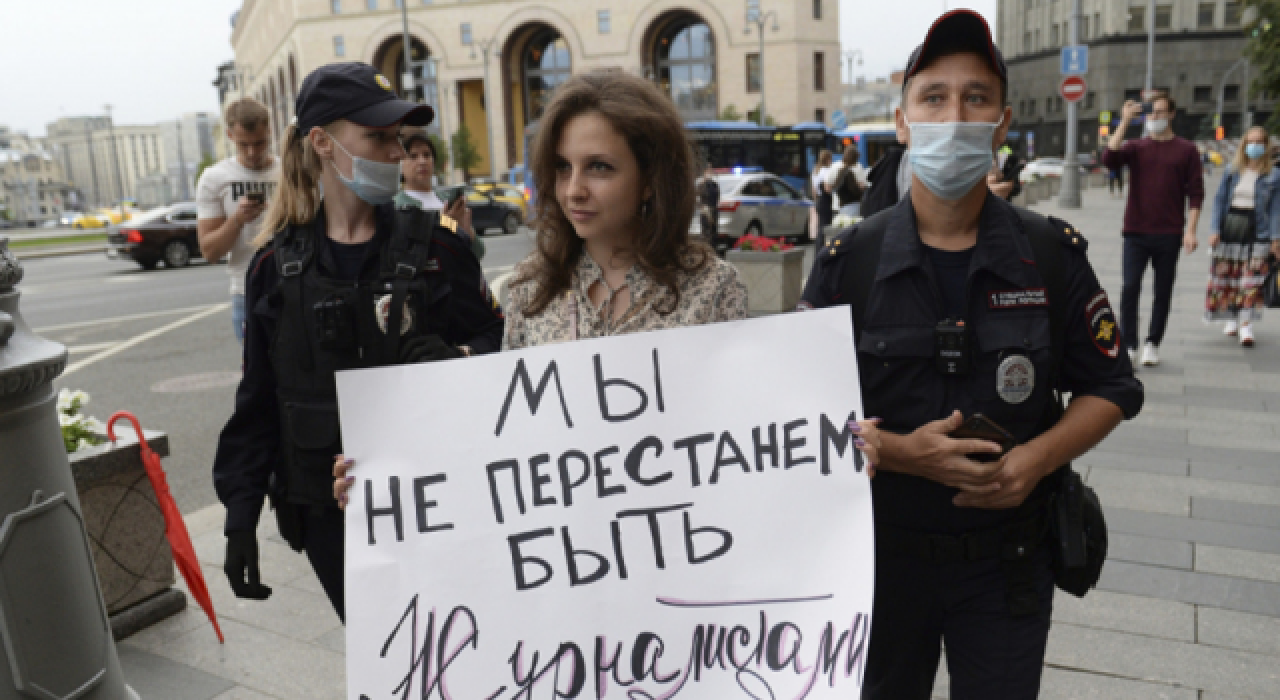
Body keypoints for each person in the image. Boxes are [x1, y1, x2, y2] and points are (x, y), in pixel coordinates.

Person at [798, 11, 1142, 699]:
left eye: (975, 98)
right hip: (880, 566)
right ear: (902, 120)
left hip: (1008, 564)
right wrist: (899, 453)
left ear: (1001, 123)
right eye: (933, 98)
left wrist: (1032, 462)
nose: (953, 115)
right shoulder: (850, 260)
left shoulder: (1050, 254)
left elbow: (1113, 388)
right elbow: (799, 417)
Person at [335, 69, 748, 497]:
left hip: (674, 532)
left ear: (649, 180)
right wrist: (384, 481)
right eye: (562, 167)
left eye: (599, 168)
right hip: (563, 549)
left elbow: (739, 446)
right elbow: (507, 441)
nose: (573, 190)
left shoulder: (713, 289)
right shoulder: (530, 289)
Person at [212, 62, 505, 621]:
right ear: (322, 142)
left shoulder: (440, 251)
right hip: (327, 518)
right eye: (377, 137)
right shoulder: (275, 268)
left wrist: (458, 359)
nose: (396, 152)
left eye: (397, 138)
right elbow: (260, 399)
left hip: (441, 503)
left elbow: (502, 342)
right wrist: (240, 514)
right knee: (383, 653)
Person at [1103, 92, 1204, 367]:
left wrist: (1191, 230)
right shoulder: (1137, 147)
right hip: (1136, 231)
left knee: (1163, 290)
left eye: (1160, 112)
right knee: (1130, 287)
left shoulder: (1186, 150)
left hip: (1169, 233)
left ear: (1172, 114)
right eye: (1151, 113)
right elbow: (1109, 158)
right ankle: (1130, 343)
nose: (1155, 117)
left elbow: (1196, 193)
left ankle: (1152, 343)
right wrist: (1124, 121)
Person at [196, 98, 281, 343]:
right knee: (257, 378)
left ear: (270, 131)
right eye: (244, 145)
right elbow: (210, 251)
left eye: (260, 143)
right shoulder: (215, 178)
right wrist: (237, 220)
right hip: (246, 292)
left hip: (291, 285)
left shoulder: (286, 170)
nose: (253, 152)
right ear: (229, 135)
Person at [1205, 126, 1280, 346]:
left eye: (1259, 142)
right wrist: (1214, 230)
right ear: (1244, 145)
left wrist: (1276, 239)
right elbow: (1219, 201)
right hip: (1231, 228)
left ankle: (1246, 324)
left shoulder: (1274, 175)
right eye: (1251, 142)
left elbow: (1276, 209)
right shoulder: (1232, 170)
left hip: (1259, 231)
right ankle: (1232, 318)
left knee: (1252, 280)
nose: (1254, 146)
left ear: (1266, 146)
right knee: (1230, 278)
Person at [394, 129, 485, 261]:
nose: (422, 161)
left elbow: (478, 253)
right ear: (400, 166)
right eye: (413, 156)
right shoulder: (397, 207)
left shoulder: (446, 200)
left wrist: (467, 231)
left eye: (427, 155)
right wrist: (447, 224)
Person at [697, 163, 721, 244]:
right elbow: (700, 197)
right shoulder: (701, 184)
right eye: (708, 170)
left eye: (711, 170)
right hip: (705, 210)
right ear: (704, 171)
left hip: (713, 210)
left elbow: (717, 197)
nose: (710, 172)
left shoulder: (714, 184)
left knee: (713, 232)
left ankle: (713, 248)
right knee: (706, 231)